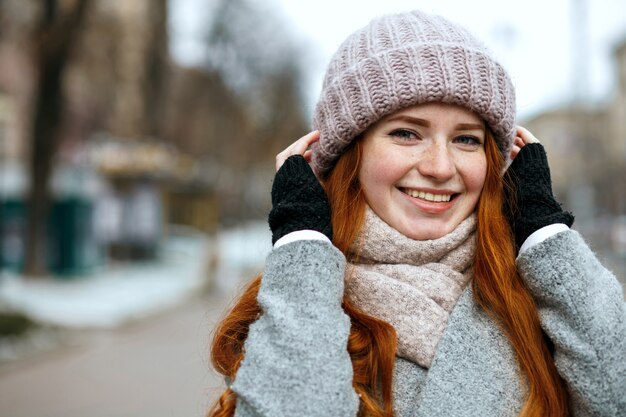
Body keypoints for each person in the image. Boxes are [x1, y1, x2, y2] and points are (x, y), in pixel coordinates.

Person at [207, 10, 625, 417]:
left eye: (466, 139)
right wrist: (302, 245)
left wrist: (545, 234)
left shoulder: (540, 300)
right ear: (351, 154)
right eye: (406, 133)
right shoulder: (297, 300)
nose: (441, 167)